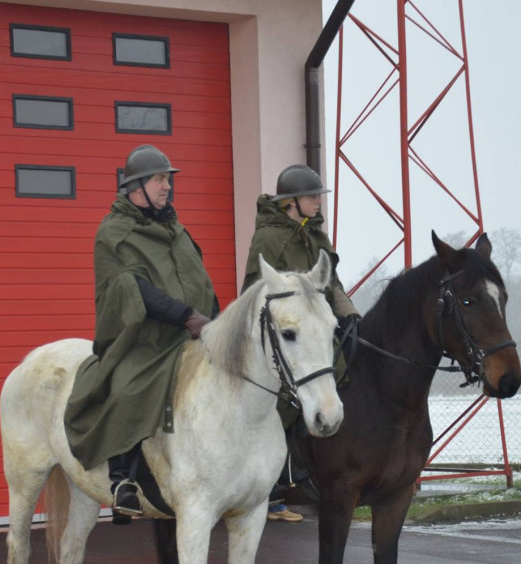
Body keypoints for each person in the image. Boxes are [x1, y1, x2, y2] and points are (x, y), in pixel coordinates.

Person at [64, 144, 219, 521]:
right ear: (136, 186)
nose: (167, 186)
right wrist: (188, 316)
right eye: (159, 179)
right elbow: (134, 290)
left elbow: (200, 280)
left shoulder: (176, 230)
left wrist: (216, 322)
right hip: (142, 340)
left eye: (168, 179)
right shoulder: (113, 232)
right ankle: (122, 480)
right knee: (127, 385)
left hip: (188, 334)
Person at [241, 164, 361, 522]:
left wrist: (349, 313)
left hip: (314, 333)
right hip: (285, 336)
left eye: (318, 196)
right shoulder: (268, 238)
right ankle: (270, 493)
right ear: (291, 201)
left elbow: (332, 284)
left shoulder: (316, 236)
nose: (317, 202)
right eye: (311, 196)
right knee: (280, 407)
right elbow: (254, 290)